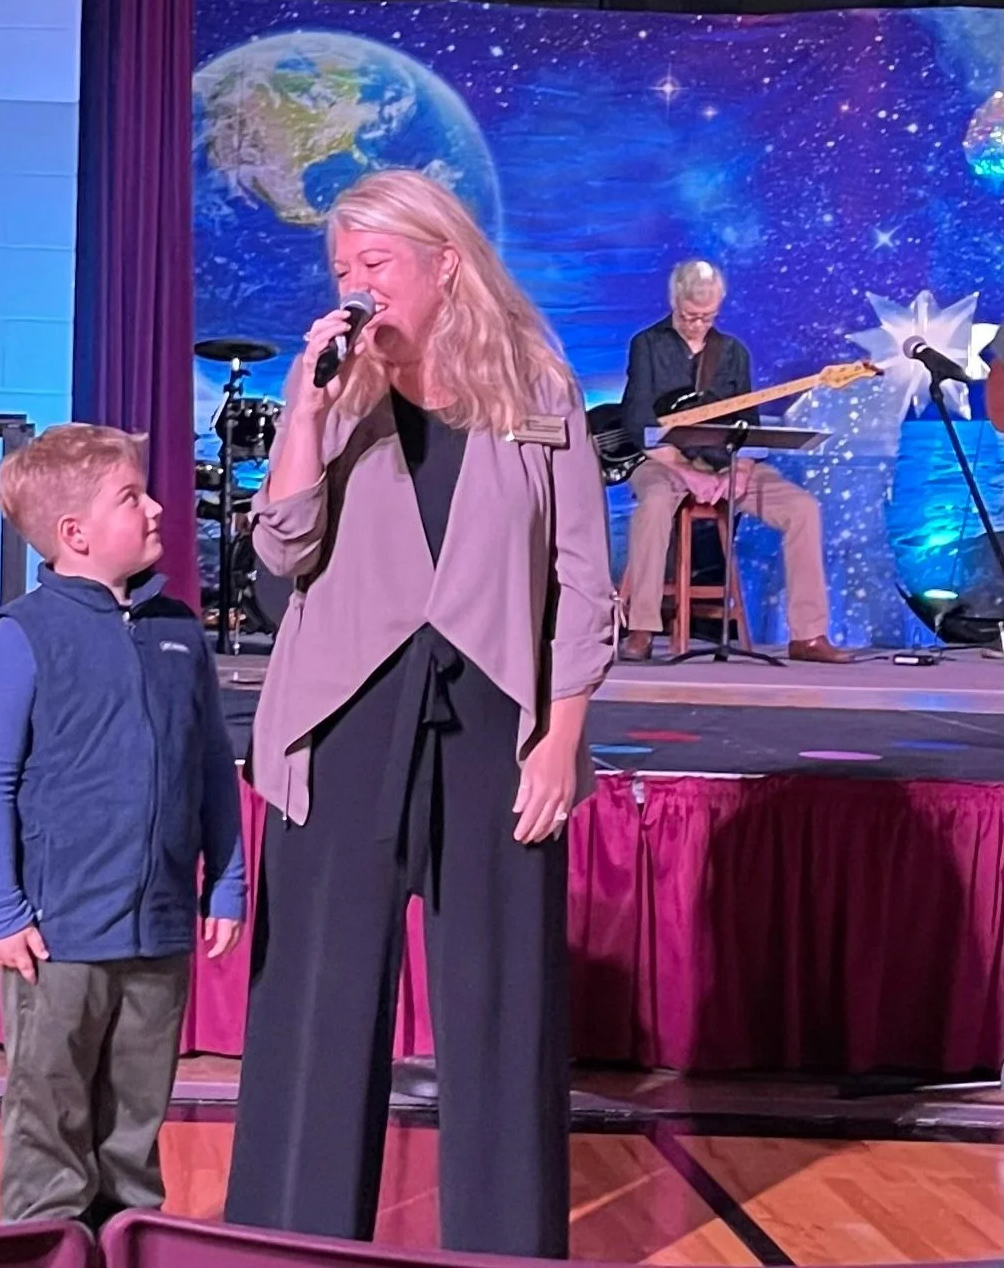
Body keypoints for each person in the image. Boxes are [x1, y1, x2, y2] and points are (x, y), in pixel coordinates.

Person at [223, 169, 617, 1258]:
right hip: (343, 715)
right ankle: (290, 1245)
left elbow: (582, 576)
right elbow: (280, 552)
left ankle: (504, 1246)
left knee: (502, 1003)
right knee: (319, 1001)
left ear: (444, 263)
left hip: (493, 714)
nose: (356, 284)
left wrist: (562, 737)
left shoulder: (535, 386)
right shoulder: (339, 391)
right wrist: (305, 411)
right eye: (342, 267)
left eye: (376, 262)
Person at [0, 423, 246, 1229]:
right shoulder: (24, 634)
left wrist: (226, 884)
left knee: (133, 1131)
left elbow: (210, 765)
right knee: (49, 1124)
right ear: (75, 533)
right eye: (131, 497)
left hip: (158, 931)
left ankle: (127, 1242)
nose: (156, 508)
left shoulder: (178, 629)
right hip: (58, 939)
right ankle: (47, 1245)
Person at [618, 259, 852, 663]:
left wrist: (740, 472)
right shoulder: (647, 345)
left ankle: (808, 635)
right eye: (689, 316)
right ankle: (641, 628)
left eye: (707, 317)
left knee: (802, 509)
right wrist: (686, 472)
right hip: (664, 461)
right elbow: (638, 422)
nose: (697, 325)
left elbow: (750, 425)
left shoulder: (732, 352)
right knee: (653, 505)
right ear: (674, 302)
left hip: (725, 461)